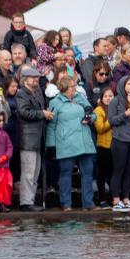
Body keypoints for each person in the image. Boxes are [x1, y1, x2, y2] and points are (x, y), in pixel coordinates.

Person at [48, 76, 96, 211]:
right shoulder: (55, 102)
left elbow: (93, 114)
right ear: (64, 88)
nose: (75, 88)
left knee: (88, 173)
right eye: (72, 86)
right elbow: (51, 126)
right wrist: (51, 145)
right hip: (66, 143)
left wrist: (89, 118)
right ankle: (66, 204)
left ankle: (88, 203)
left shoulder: (80, 97)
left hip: (84, 141)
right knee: (65, 174)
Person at [16, 66, 50, 211]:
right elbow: (24, 112)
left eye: (37, 77)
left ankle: (30, 200)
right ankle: (25, 202)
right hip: (28, 139)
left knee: (35, 172)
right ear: (25, 80)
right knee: (28, 173)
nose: (36, 79)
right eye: (33, 77)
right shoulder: (21, 93)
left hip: (39, 138)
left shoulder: (38, 92)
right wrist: (42, 113)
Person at [108, 76, 130, 212]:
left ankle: (126, 199)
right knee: (118, 171)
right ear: (122, 85)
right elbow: (112, 121)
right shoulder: (115, 101)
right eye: (128, 84)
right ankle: (116, 200)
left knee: (129, 171)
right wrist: (125, 115)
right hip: (120, 140)